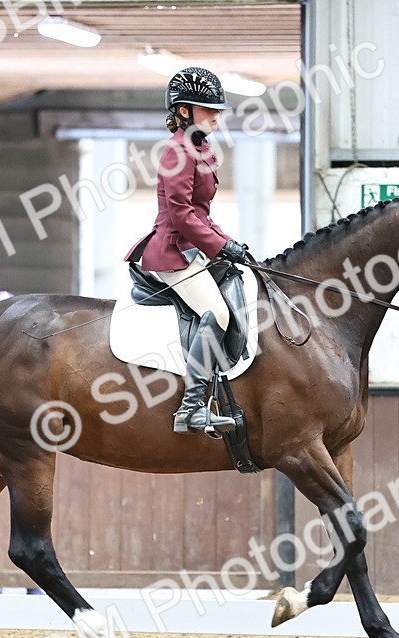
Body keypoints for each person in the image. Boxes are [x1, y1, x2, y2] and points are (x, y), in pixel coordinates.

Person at [124, 66, 254, 434]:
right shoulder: (176, 151)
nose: (216, 115)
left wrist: (229, 243)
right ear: (183, 111)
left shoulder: (201, 148)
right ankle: (192, 407)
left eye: (217, 109)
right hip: (171, 252)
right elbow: (181, 215)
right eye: (206, 108)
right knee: (217, 312)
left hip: (192, 249)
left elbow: (201, 213)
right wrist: (218, 245)